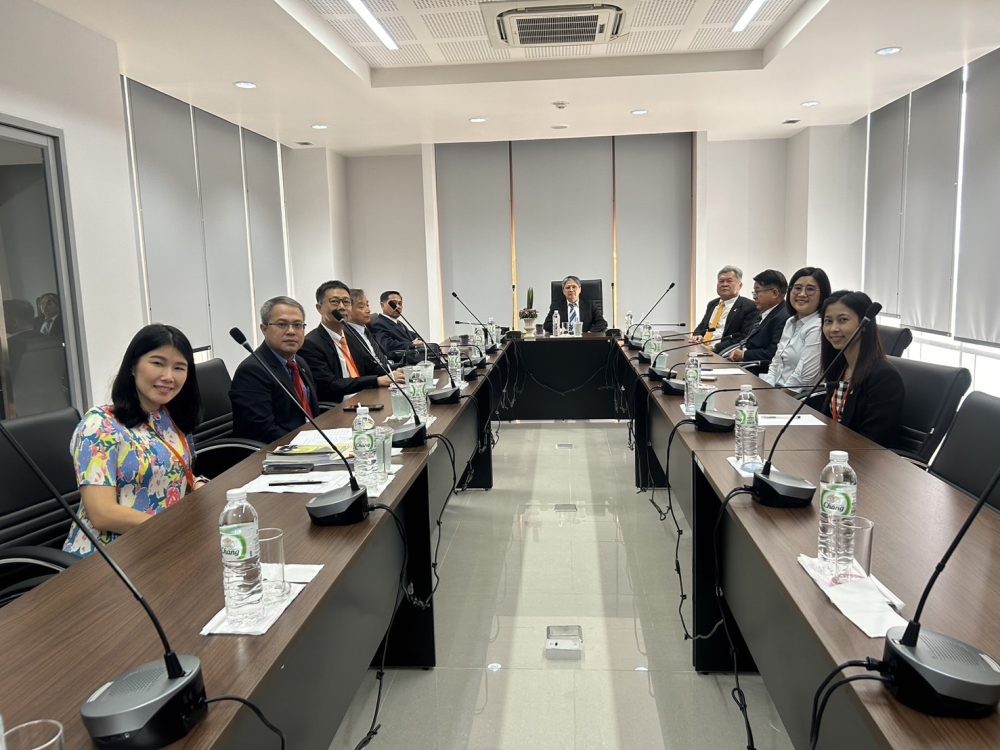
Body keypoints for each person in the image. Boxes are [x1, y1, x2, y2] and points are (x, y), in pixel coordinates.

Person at [63, 324, 204, 557]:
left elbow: (174, 474)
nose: (168, 376)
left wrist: (199, 486)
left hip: (163, 544)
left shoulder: (168, 417)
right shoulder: (100, 425)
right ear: (132, 366)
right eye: (157, 363)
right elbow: (102, 514)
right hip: (109, 555)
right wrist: (171, 528)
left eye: (179, 367)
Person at [819, 290, 904, 448]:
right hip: (833, 450)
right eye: (828, 321)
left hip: (862, 458)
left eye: (843, 320)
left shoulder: (884, 377)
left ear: (864, 324)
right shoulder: (839, 367)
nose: (833, 328)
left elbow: (873, 441)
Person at [230, 296, 320, 443]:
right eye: (282, 324)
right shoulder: (252, 371)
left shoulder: (300, 362)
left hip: (309, 440)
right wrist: (306, 444)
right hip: (277, 449)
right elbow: (262, 431)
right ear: (264, 329)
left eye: (297, 325)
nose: (291, 331)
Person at [299, 281, 405, 405]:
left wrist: (400, 369)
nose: (342, 307)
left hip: (366, 398)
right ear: (319, 308)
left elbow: (371, 367)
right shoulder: (311, 343)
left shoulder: (351, 336)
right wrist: (377, 381)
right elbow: (329, 385)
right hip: (339, 406)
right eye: (334, 301)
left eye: (346, 302)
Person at [760, 267, 831, 391]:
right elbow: (776, 361)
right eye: (797, 288)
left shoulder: (818, 327)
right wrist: (767, 389)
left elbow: (804, 378)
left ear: (822, 294)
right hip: (776, 390)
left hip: (797, 397)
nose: (802, 294)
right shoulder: (791, 322)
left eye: (810, 289)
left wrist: (778, 396)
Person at [721, 269, 790, 374]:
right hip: (743, 365)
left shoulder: (783, 317)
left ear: (775, 293)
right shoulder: (763, 313)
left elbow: (773, 354)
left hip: (759, 374)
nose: (754, 296)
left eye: (757, 292)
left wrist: (744, 355)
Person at [690, 265, 758, 351]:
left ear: (740, 285)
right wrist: (698, 335)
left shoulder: (749, 306)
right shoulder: (712, 304)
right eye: (721, 281)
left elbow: (744, 337)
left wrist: (714, 348)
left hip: (722, 352)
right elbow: (702, 326)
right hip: (701, 348)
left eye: (729, 281)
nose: (724, 284)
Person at [542, 275, 607, 333]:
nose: (571, 290)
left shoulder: (590, 305)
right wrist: (560, 330)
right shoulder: (556, 306)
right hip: (564, 339)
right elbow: (547, 324)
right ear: (563, 291)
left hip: (585, 339)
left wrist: (589, 333)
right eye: (568, 287)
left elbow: (602, 323)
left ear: (580, 289)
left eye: (574, 287)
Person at [371, 290, 425, 356]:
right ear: (382, 305)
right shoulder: (379, 324)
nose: (398, 306)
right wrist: (412, 344)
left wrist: (419, 341)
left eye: (400, 303)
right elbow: (388, 345)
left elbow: (413, 335)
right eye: (393, 303)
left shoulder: (398, 322)